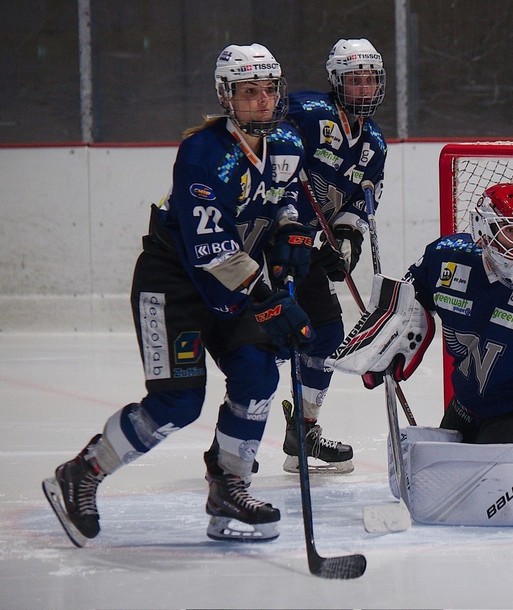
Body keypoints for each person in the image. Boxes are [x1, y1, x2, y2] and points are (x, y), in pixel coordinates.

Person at [42, 43, 315, 546]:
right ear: (226, 96)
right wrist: (268, 296)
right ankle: (84, 472)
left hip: (235, 286)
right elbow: (212, 249)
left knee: (257, 373)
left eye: (269, 90)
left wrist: (292, 231)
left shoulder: (288, 143)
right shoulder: (204, 153)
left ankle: (229, 488)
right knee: (177, 403)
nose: (261, 101)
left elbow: (284, 197)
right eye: (248, 91)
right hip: (174, 287)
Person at [329, 182, 513, 444]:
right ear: (483, 229)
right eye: (510, 230)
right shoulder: (445, 258)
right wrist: (385, 341)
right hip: (469, 399)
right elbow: (411, 296)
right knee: (442, 479)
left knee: (483, 487)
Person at [279, 38, 388, 473]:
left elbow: (360, 204)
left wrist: (344, 242)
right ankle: (227, 450)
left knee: (326, 331)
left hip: (305, 248)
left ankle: (302, 433)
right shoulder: (305, 112)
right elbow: (263, 153)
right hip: (267, 243)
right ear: (336, 82)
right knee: (254, 346)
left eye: (370, 80)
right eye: (354, 80)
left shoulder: (374, 144)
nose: (364, 89)